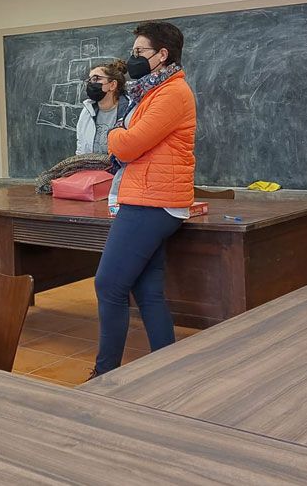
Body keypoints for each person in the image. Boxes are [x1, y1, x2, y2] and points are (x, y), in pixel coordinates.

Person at [92, 21, 196, 378]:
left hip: (152, 201)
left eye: (141, 52)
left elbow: (130, 144)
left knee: (108, 284)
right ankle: (168, 372)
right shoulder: (151, 91)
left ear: (162, 55)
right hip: (149, 196)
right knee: (147, 289)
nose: (133, 58)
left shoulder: (171, 94)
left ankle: (105, 375)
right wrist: (124, 134)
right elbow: (133, 140)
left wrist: (116, 133)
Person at [75, 60, 129, 155]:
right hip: (91, 167)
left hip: (120, 168)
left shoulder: (129, 111)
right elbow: (81, 147)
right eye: (90, 80)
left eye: (96, 78)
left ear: (112, 85)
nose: (91, 83)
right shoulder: (87, 111)